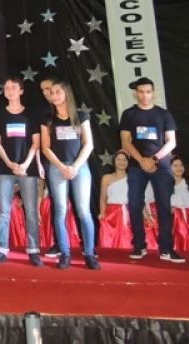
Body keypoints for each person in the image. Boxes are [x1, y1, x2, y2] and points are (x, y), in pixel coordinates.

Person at [119, 77, 184, 264]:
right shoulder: (129, 114)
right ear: (135, 93)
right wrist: (141, 160)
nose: (144, 95)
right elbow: (125, 142)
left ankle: (166, 249)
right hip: (136, 167)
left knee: (164, 207)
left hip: (161, 166)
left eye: (148, 92)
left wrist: (154, 159)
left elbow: (171, 142)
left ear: (153, 93)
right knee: (134, 204)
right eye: (141, 92)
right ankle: (139, 245)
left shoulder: (164, 114)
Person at [40, 80, 99, 270]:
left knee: (83, 211)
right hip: (57, 168)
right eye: (51, 93)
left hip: (79, 167)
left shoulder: (81, 116)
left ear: (66, 93)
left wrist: (74, 166)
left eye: (58, 92)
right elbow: (45, 147)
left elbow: (88, 144)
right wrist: (61, 167)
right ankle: (65, 253)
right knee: (60, 210)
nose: (54, 95)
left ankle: (89, 253)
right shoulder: (48, 119)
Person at [0, 76, 43, 267]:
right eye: (7, 87)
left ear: (21, 91)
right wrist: (9, 163)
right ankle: (1, 249)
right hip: (5, 169)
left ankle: (33, 250)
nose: (10, 90)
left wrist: (25, 164)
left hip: (28, 169)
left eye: (13, 87)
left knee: (31, 211)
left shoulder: (31, 115)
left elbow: (36, 143)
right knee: (4, 211)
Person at [38, 75, 61, 258]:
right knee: (57, 203)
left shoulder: (70, 111)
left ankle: (87, 245)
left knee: (80, 206)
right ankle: (59, 243)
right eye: (43, 90)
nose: (47, 93)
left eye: (49, 89)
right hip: (50, 162)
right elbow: (40, 143)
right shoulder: (43, 113)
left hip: (73, 164)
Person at [98, 150, 132, 249]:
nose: (121, 162)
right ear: (114, 161)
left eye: (124, 160)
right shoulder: (106, 178)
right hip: (111, 213)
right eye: (118, 159)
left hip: (128, 212)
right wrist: (102, 213)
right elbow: (102, 198)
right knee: (108, 240)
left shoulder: (132, 178)